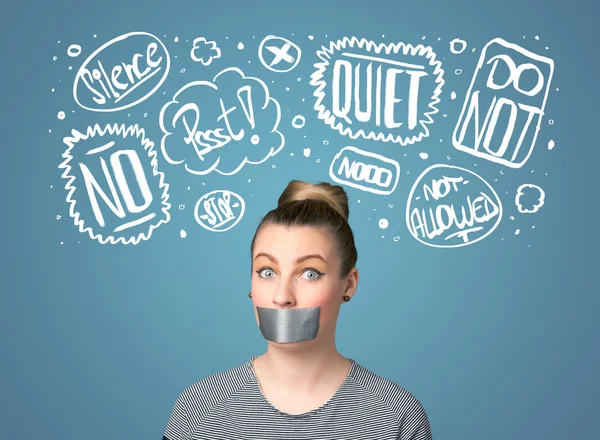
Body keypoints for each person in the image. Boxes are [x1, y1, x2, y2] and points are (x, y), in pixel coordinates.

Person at [162, 179, 433, 440]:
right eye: (267, 272)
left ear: (348, 285)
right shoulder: (198, 411)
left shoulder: (397, 417)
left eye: (310, 274)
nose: (282, 297)